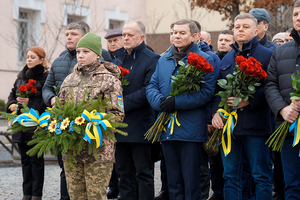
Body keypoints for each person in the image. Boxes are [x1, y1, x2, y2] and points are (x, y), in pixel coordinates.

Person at [146, 19, 215, 200]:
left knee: (191, 182)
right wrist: (160, 102)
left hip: (190, 129)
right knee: (173, 181)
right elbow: (152, 85)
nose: (176, 36)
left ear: (194, 36)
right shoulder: (163, 59)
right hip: (167, 128)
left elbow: (206, 93)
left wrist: (176, 102)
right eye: (174, 32)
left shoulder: (206, 60)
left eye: (182, 33)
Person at [211, 13, 273, 200]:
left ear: (255, 31)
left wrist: (250, 101)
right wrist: (215, 113)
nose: (240, 30)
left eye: (245, 27)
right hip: (230, 128)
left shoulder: (268, 55)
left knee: (260, 175)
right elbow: (217, 90)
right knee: (231, 176)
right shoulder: (227, 58)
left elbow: (271, 88)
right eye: (237, 27)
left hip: (256, 126)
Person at [58, 32, 124, 199]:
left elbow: (117, 114)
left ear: (97, 54)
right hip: (72, 149)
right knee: (76, 196)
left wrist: (93, 124)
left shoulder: (109, 80)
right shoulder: (69, 79)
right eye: (79, 51)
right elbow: (60, 109)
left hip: (98, 151)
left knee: (95, 195)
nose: (80, 55)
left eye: (86, 51)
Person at [113, 20, 160, 200]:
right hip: (118, 126)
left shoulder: (152, 59)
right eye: (124, 35)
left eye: (130, 35)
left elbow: (148, 90)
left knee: (143, 173)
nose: (125, 38)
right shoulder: (117, 59)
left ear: (141, 37)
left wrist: (120, 104)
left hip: (140, 125)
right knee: (123, 173)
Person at [42, 22, 88, 200]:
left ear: (83, 36)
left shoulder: (95, 59)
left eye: (74, 34)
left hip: (85, 122)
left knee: (86, 167)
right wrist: (52, 98)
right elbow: (47, 87)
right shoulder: (59, 60)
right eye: (67, 34)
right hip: (63, 122)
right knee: (65, 165)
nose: (69, 37)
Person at [265, 1, 300, 199]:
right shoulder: (281, 51)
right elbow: (270, 84)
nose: (298, 18)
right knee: (291, 185)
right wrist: (282, 109)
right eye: (295, 14)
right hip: (288, 128)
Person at [6, 46, 50, 200]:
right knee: (25, 160)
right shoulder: (21, 76)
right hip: (20, 125)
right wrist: (12, 104)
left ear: (41, 60)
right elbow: (12, 94)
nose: (29, 60)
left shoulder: (46, 77)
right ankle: (27, 194)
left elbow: (47, 103)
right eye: (28, 57)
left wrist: (29, 102)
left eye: (33, 57)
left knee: (36, 161)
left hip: (36, 125)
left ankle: (37, 195)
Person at [193, 20, 220, 200]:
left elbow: (213, 90)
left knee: (203, 164)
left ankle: (205, 194)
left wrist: (210, 118)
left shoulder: (210, 58)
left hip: (204, 117)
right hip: (186, 119)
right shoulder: (171, 55)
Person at [208, 29, 234, 200]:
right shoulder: (213, 60)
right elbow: (211, 92)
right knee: (214, 161)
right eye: (221, 39)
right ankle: (217, 193)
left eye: (227, 40)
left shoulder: (234, 61)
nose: (223, 42)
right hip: (214, 118)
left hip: (232, 118)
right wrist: (212, 115)